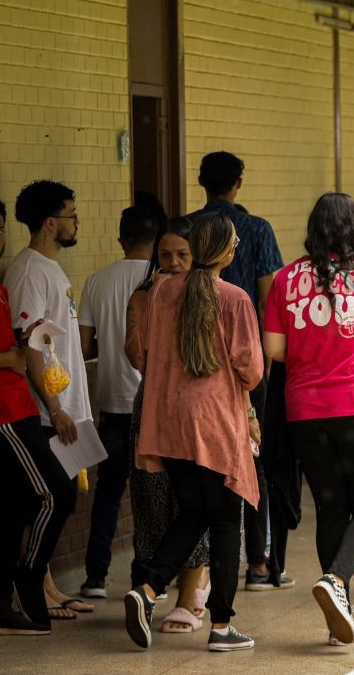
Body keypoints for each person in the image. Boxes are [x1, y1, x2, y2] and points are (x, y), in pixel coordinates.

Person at [263, 192, 354, 645]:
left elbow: (274, 350)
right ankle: (338, 582)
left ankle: (337, 611)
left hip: (305, 411)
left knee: (330, 509)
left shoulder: (286, 279)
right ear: (353, 228)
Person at [123, 213, 263, 653]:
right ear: (223, 250)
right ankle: (221, 625)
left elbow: (143, 353)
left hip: (168, 420)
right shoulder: (235, 298)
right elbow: (251, 370)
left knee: (194, 513)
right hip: (215, 423)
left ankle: (147, 590)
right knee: (224, 521)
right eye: (235, 243)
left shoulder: (162, 291)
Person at [0, 195, 75, 635]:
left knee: (11, 509)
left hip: (21, 403)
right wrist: (11, 359)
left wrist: (21, 353)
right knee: (58, 494)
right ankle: (29, 572)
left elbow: (13, 349)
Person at [188, 151, 289, 591]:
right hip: (247, 360)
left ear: (201, 182)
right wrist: (266, 358)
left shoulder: (186, 226)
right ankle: (259, 564)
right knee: (254, 458)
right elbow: (270, 297)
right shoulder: (257, 229)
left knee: (195, 464)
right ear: (239, 183)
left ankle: (195, 570)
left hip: (192, 362)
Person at [2, 180, 96, 616]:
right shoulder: (28, 270)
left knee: (55, 502)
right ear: (49, 222)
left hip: (64, 405)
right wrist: (55, 408)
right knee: (40, 501)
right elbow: (33, 342)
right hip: (42, 410)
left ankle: (49, 585)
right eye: (71, 214)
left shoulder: (51, 267)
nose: (77, 222)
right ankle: (33, 588)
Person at [124, 217, 212, 634]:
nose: (174, 263)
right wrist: (153, 301)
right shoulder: (145, 296)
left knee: (193, 500)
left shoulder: (211, 296)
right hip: (153, 408)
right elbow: (136, 356)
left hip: (197, 411)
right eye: (165, 256)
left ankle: (188, 598)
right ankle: (162, 583)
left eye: (183, 255)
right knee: (155, 502)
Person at [78, 205, 161, 600]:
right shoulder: (161, 281)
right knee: (148, 497)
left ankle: (95, 577)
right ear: (157, 239)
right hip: (153, 407)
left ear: (121, 240)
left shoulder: (97, 281)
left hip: (111, 403)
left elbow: (84, 346)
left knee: (108, 493)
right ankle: (142, 579)